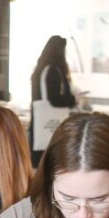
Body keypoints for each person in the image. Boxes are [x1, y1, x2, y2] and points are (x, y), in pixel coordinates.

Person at [30, 35, 83, 165]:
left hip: (39, 123)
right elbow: (54, 100)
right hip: (50, 123)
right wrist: (73, 100)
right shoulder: (54, 70)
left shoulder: (40, 69)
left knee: (39, 164)